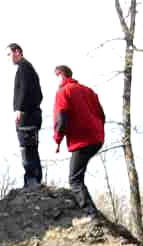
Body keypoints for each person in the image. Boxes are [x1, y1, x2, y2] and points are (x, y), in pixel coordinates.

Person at [52, 65, 105, 215]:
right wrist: (97, 130)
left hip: (82, 140)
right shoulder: (89, 91)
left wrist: (57, 139)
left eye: (56, 76)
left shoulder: (63, 91)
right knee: (78, 176)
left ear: (61, 75)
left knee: (74, 180)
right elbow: (102, 115)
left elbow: (61, 119)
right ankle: (87, 210)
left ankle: (90, 214)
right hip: (97, 138)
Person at [7, 43, 43, 187]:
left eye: (8, 54)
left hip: (27, 116)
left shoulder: (24, 68)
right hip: (32, 115)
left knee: (27, 149)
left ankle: (32, 182)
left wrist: (19, 109)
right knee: (31, 148)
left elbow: (24, 89)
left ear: (17, 52)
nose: (8, 58)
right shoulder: (28, 68)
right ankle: (33, 181)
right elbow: (39, 95)